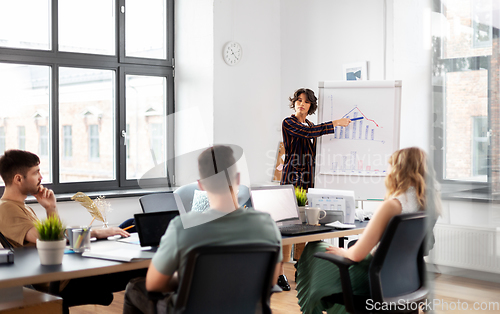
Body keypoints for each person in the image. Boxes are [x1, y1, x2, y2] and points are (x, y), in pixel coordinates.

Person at [123, 145, 283, 314]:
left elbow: (155, 283)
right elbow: (271, 280)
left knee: (134, 287)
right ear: (237, 179)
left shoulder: (182, 227)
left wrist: (191, 278)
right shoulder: (267, 225)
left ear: (201, 185)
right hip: (246, 309)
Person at [294, 147, 441, 314]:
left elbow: (356, 255)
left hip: (373, 275)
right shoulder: (428, 204)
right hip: (404, 277)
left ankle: (312, 307)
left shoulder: (393, 205)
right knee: (339, 248)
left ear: (399, 170)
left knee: (314, 248)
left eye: (391, 166)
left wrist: (344, 252)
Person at [0, 149, 146, 313]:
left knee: (132, 236)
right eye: (36, 172)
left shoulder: (20, 207)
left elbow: (52, 239)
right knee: (143, 268)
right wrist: (95, 232)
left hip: (61, 273)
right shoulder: (7, 209)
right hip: (60, 281)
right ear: (18, 178)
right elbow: (49, 239)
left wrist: (51, 208)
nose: (41, 178)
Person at [278, 88, 351, 290]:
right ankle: (280, 274)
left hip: (308, 180)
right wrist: (335, 123)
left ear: (311, 106)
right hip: (292, 179)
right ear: (294, 103)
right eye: (299, 100)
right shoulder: (289, 122)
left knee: (304, 227)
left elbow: (314, 144)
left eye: (306, 102)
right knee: (287, 227)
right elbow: (309, 133)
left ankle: (301, 269)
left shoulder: (310, 123)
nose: (301, 104)